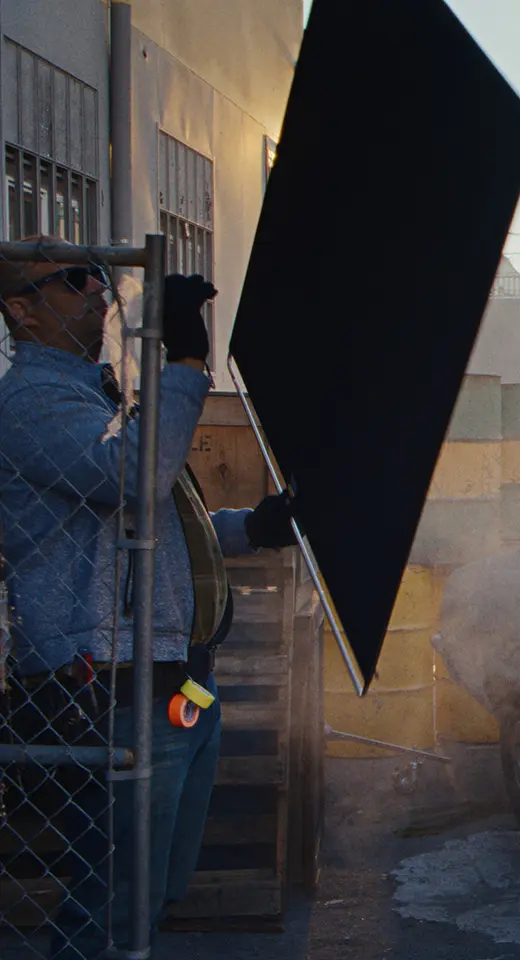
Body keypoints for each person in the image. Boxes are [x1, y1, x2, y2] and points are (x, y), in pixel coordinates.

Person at [0, 245, 298, 959]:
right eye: (75, 280)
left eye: (100, 276)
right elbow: (132, 480)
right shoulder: (32, 402)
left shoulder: (97, 394)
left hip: (177, 674)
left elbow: (154, 526)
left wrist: (250, 529)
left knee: (154, 894)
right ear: (22, 308)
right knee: (114, 908)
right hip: (107, 683)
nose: (98, 290)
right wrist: (185, 367)